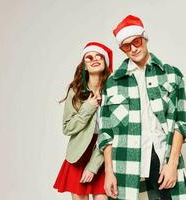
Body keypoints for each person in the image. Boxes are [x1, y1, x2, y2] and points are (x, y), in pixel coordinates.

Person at [98, 15, 186, 199]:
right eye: (126, 46)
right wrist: (109, 172)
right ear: (122, 49)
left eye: (136, 41)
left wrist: (172, 164)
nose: (133, 48)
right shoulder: (112, 83)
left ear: (145, 39)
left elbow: (181, 123)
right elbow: (106, 132)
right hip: (126, 162)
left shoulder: (172, 75)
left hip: (162, 155)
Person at [53, 42, 113, 200]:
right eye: (89, 57)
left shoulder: (113, 92)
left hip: (104, 151)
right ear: (84, 66)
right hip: (78, 154)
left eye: (99, 56)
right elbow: (67, 128)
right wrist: (88, 107)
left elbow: (114, 132)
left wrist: (94, 166)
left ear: (105, 63)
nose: (95, 59)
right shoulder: (76, 91)